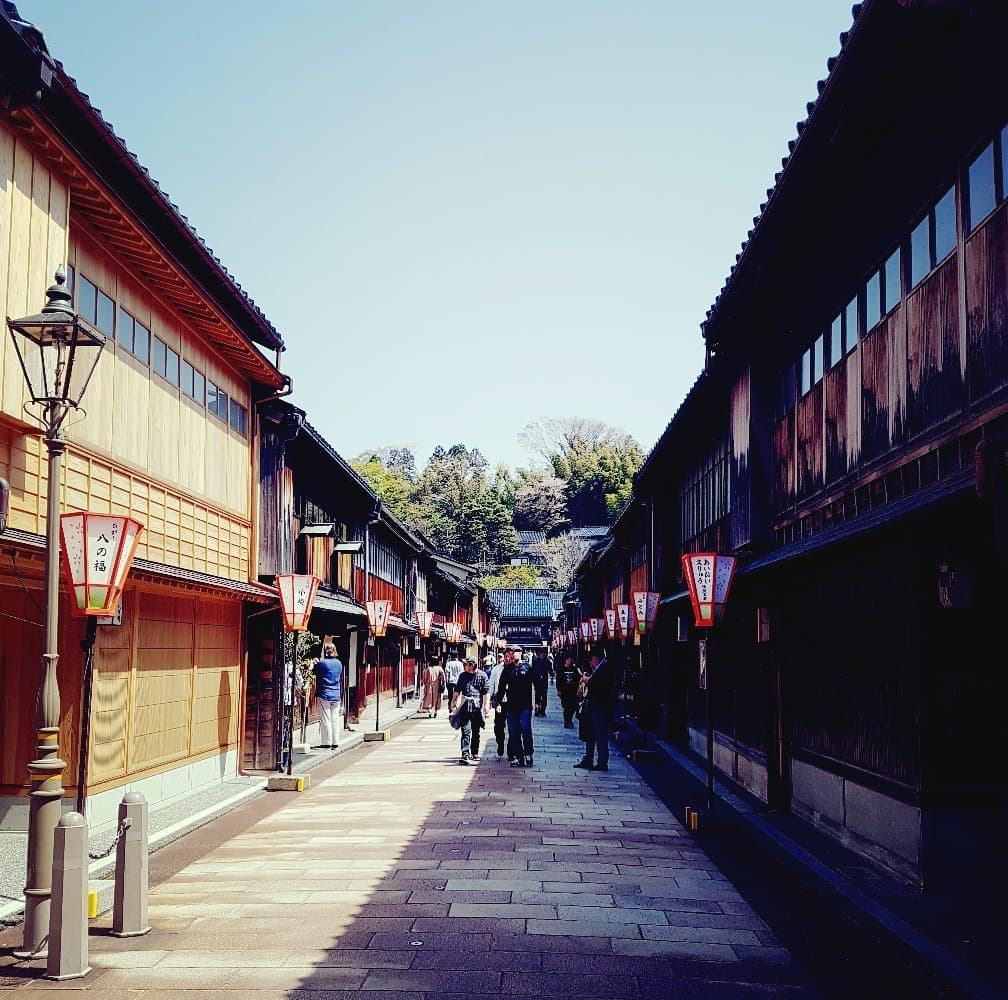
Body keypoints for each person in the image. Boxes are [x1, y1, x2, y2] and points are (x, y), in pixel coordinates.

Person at [574, 649, 614, 772]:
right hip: (593, 706)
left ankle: (602, 762)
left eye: (591, 660)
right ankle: (588, 758)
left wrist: (588, 681)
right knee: (590, 733)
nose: (590, 663)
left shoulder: (605, 670)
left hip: (600, 707)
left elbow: (601, 688)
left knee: (600, 734)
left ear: (595, 659)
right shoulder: (598, 670)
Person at [498, 645, 535, 767]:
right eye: (511, 652)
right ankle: (519, 757)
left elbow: (537, 684)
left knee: (525, 729)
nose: (513, 654)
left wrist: (539, 701)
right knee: (513, 732)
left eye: (516, 651)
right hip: (512, 706)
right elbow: (501, 687)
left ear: (521, 653)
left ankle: (528, 753)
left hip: (525, 706)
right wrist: (498, 702)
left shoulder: (528, 668)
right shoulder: (507, 669)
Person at [451, 656, 489, 764]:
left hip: (477, 707)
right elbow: (457, 690)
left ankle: (474, 752)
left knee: (476, 730)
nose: (464, 666)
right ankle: (465, 753)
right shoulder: (462, 676)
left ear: (472, 665)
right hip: (464, 705)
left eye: (466, 664)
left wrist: (486, 705)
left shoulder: (482, 675)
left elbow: (486, 692)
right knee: (465, 730)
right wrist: (453, 702)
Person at [311, 642, 343, 750]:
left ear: (325, 651)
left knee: (326, 719)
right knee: (335, 719)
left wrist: (315, 663)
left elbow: (314, 672)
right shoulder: (339, 663)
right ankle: (335, 742)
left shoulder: (323, 663)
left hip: (324, 693)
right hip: (336, 694)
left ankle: (326, 742)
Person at [488, 650, 510, 757]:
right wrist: (489, 701)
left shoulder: (516, 669)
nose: (507, 658)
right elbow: (491, 685)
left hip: (512, 702)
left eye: (509, 656)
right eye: (505, 656)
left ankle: (511, 750)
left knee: (513, 727)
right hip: (500, 701)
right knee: (499, 726)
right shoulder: (496, 669)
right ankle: (500, 744)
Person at [556, 653, 580, 728]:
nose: (570, 661)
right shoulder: (561, 669)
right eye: (569, 660)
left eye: (571, 660)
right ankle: (567, 721)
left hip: (573, 691)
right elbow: (558, 680)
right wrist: (559, 690)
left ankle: (569, 720)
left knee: (573, 707)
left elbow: (578, 678)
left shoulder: (574, 669)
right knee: (566, 707)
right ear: (566, 660)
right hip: (564, 691)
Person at [531, 648, 550, 717]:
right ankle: (537, 710)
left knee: (544, 698)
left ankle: (543, 711)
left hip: (544, 682)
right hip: (537, 682)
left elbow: (550, 670)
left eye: (543, 653)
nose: (542, 655)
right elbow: (532, 671)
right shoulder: (536, 661)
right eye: (541, 653)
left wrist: (551, 675)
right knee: (537, 697)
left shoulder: (547, 661)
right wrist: (533, 680)